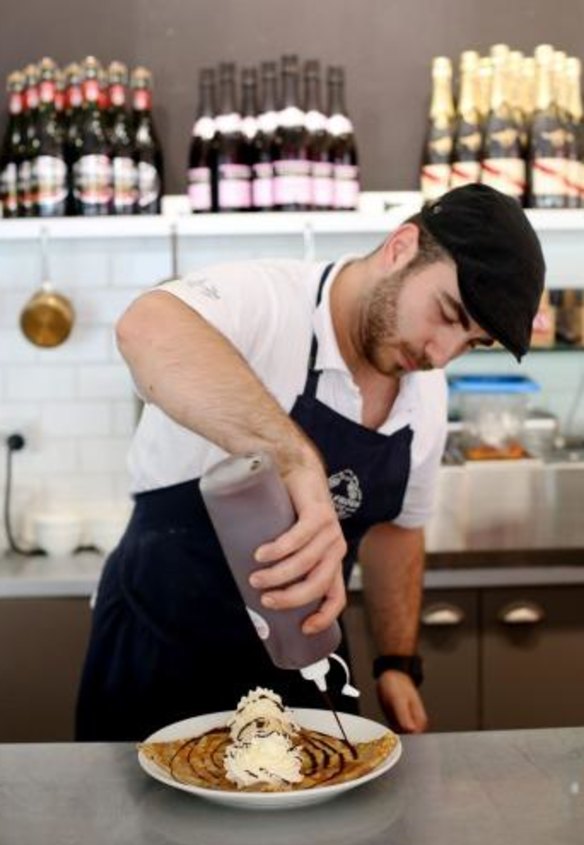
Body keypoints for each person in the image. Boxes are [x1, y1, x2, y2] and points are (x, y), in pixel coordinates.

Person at [76, 183, 545, 742]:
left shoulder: (425, 396)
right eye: (446, 314)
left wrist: (397, 663)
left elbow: (397, 533)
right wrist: (294, 458)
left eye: (473, 342)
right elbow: (145, 327)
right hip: (161, 656)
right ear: (401, 247)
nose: (440, 354)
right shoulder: (271, 300)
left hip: (306, 667)